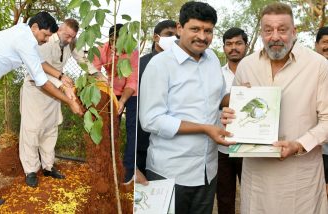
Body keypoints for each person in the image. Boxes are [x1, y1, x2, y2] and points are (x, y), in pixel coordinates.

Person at [0, 12, 83, 207]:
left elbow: (39, 62)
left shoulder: (23, 33)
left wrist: (62, 75)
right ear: (35, 28)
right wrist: (69, 101)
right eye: (45, 35)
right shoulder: (26, 41)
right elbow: (41, 82)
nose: (46, 40)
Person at [221, 3, 328, 213]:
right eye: (268, 30)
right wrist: (231, 117)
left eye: (282, 29)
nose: (275, 36)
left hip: (300, 178)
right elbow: (237, 110)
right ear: (261, 32)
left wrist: (298, 145)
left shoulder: (318, 66)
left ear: (294, 31)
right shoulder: (247, 65)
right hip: (256, 177)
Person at [139, 2, 233, 213]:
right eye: (195, 29)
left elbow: (217, 101)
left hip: (208, 170)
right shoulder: (160, 64)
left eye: (208, 31)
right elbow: (150, 119)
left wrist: (243, 97)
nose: (202, 36)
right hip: (171, 171)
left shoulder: (212, 61)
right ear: (179, 28)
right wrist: (205, 128)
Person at [19, 18, 92, 187]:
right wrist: (63, 84)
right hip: (36, 89)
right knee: (32, 130)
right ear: (60, 29)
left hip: (54, 92)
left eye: (72, 37)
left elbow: (83, 60)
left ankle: (48, 167)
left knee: (51, 129)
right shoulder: (45, 40)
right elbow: (39, 67)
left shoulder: (68, 44)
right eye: (67, 36)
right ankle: (30, 170)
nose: (69, 40)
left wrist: (98, 76)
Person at [92, 24, 139, 184]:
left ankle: (128, 170)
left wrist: (122, 101)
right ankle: (111, 166)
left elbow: (132, 81)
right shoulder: (101, 49)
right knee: (111, 128)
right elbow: (94, 70)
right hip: (111, 89)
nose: (114, 45)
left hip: (132, 93)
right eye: (112, 41)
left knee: (132, 130)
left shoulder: (132, 51)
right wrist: (104, 83)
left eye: (118, 41)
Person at [136, 19, 176, 180]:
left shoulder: (177, 64)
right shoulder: (142, 64)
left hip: (168, 139)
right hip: (143, 139)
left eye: (177, 35)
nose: (174, 39)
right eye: (169, 34)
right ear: (156, 37)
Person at [216, 27, 248, 214]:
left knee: (252, 195)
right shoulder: (216, 74)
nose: (233, 48)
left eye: (238, 43)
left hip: (250, 146)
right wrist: (240, 94)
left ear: (246, 45)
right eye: (229, 44)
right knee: (224, 197)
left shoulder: (256, 71)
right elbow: (212, 101)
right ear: (224, 47)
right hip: (222, 145)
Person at [315, 26, 328, 197]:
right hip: (316, 147)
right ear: (316, 44)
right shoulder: (307, 70)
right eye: (325, 42)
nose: (327, 46)